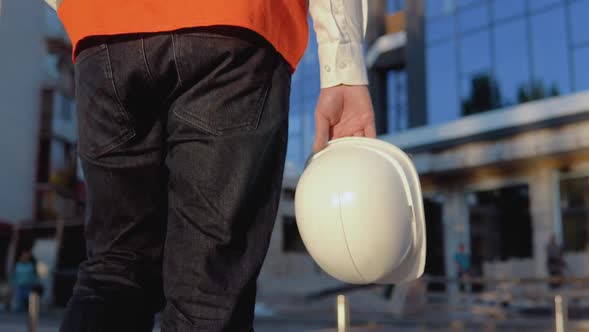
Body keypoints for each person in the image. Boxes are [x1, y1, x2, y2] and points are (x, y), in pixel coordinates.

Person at [45, 1, 376, 331]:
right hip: (231, 26)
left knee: (112, 270)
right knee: (208, 288)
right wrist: (343, 67)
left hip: (101, 33)